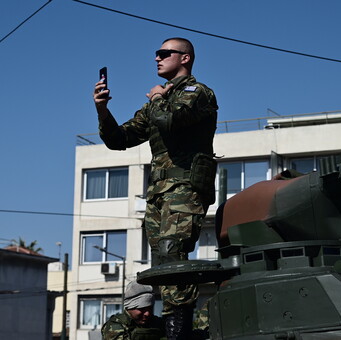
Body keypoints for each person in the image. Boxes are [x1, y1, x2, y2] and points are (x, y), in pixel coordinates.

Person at [93, 37, 218, 340]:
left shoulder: (197, 93)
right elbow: (119, 139)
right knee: (163, 266)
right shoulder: (158, 101)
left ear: (185, 58)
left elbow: (170, 121)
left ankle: (179, 336)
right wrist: (102, 110)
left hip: (185, 189)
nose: (157, 59)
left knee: (173, 258)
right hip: (159, 194)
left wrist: (156, 98)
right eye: (156, 54)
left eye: (164, 53)